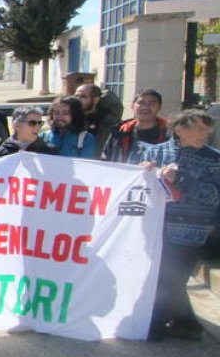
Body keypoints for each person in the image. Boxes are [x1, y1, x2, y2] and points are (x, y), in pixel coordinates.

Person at [140, 110, 219, 341]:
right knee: (166, 277)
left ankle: (154, 326)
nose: (204, 134)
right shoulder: (154, 152)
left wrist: (180, 180)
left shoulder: (214, 159)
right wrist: (143, 171)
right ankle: (187, 325)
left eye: (207, 130)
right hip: (154, 228)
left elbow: (213, 196)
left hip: (191, 232)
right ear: (179, 129)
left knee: (170, 278)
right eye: (198, 128)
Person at [101, 88, 169, 164]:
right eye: (141, 102)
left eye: (152, 103)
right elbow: (106, 161)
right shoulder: (119, 132)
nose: (146, 107)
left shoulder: (169, 134)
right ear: (132, 106)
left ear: (159, 107)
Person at [74, 84, 121, 150]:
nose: (78, 99)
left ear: (96, 99)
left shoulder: (109, 122)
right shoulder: (72, 118)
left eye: (83, 97)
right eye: (76, 96)